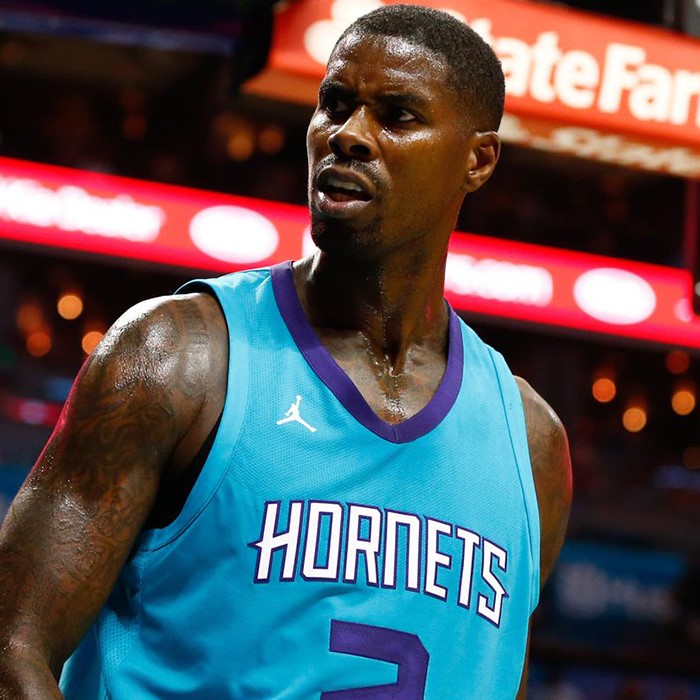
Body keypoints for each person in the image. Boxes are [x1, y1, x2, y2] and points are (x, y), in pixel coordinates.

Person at [0, 5, 572, 698]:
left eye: (396, 116)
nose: (348, 135)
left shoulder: (531, 448)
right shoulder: (177, 359)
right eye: (335, 104)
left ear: (477, 161)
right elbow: (12, 647)